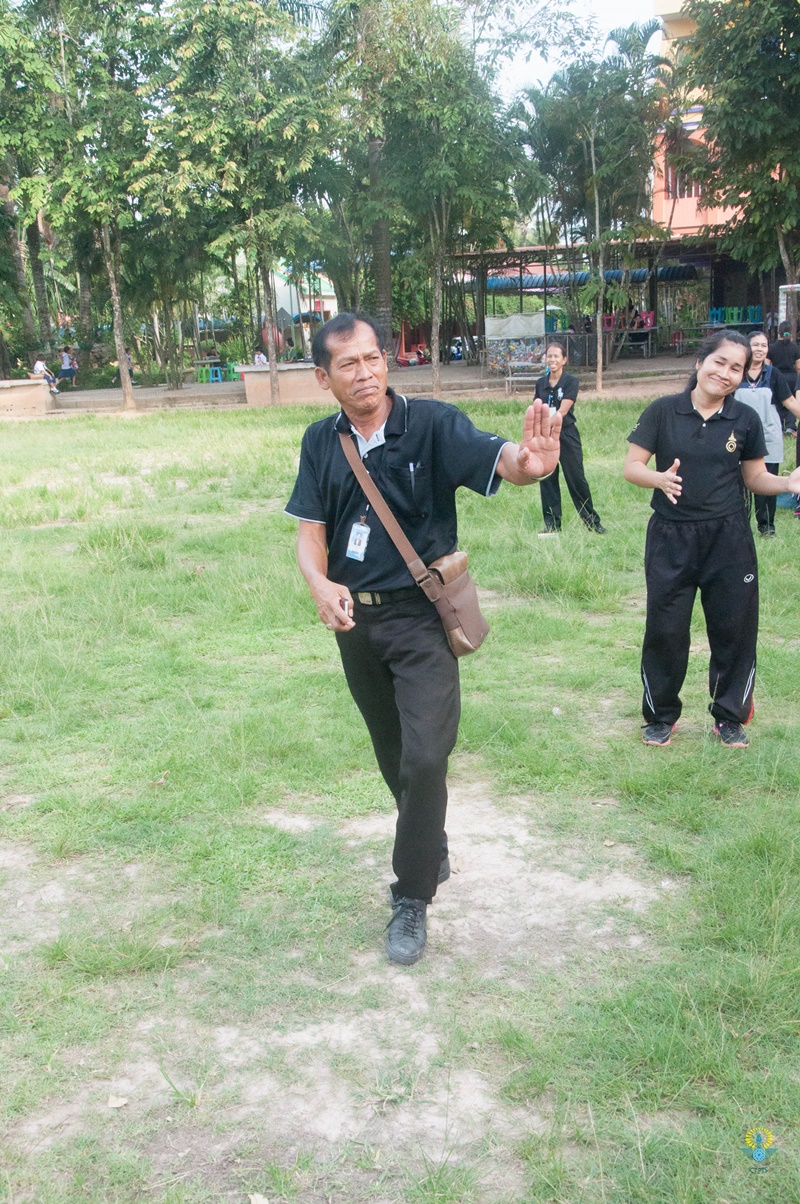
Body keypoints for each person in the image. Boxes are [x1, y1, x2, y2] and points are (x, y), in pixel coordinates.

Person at [285, 313, 562, 966]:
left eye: (373, 358)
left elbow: (506, 460)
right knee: (394, 755)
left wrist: (531, 464)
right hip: (356, 624)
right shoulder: (321, 441)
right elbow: (310, 533)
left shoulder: (432, 424)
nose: (365, 373)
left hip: (422, 619)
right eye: (348, 364)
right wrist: (318, 584)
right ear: (324, 378)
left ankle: (411, 896)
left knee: (426, 756)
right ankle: (428, 844)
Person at [623, 330, 800, 749]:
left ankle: (729, 716)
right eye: (719, 362)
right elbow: (632, 467)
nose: (725, 373)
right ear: (700, 362)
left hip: (729, 538)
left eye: (736, 368)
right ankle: (661, 716)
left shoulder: (745, 419)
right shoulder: (663, 411)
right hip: (671, 536)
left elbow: (754, 477)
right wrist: (658, 479)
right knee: (666, 628)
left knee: (734, 628)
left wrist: (787, 483)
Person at [535, 340, 605, 537]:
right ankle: (552, 525)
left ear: (564, 359)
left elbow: (563, 410)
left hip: (566, 434)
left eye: (556, 356)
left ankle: (592, 523)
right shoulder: (540, 384)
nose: (552, 359)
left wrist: (547, 423)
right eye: (549, 356)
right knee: (547, 479)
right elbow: (537, 409)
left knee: (576, 479)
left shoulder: (571, 381)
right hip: (545, 436)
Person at [734, 331, 800, 536]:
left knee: (768, 481)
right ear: (747, 347)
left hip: (769, 436)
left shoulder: (773, 374)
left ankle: (767, 526)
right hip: (738, 436)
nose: (760, 349)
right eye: (755, 345)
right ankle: (740, 526)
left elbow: (790, 402)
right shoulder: (736, 372)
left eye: (764, 345)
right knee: (739, 484)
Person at [767, 324, 800, 432]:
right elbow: (798, 367)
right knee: (791, 400)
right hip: (792, 378)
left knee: (777, 402)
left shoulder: (772, 347)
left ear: (778, 331)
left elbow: (767, 365)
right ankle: (790, 426)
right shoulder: (795, 347)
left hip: (776, 377)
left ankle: (779, 425)